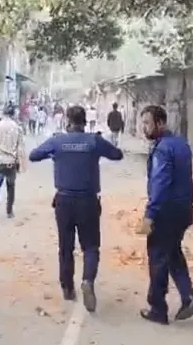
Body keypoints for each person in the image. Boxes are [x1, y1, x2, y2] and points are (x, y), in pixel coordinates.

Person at [28, 106, 123, 313]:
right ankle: (87, 280)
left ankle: (68, 288)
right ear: (84, 121)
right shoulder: (94, 141)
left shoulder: (57, 141)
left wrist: (55, 154)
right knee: (91, 246)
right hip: (88, 201)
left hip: (64, 201)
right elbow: (117, 155)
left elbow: (33, 155)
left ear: (68, 121)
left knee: (66, 247)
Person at [135, 105, 193, 324]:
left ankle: (157, 309)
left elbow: (160, 183)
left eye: (148, 123)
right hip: (184, 209)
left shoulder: (162, 149)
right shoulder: (181, 144)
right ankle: (188, 296)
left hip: (166, 210)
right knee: (172, 252)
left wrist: (150, 214)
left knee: (157, 257)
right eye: (143, 123)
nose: (144, 127)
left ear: (160, 123)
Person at [0, 104, 25, 220]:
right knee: (11, 187)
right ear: (13, 114)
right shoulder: (17, 128)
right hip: (11, 162)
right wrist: (20, 163)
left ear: (3, 113)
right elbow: (20, 147)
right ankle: (9, 211)